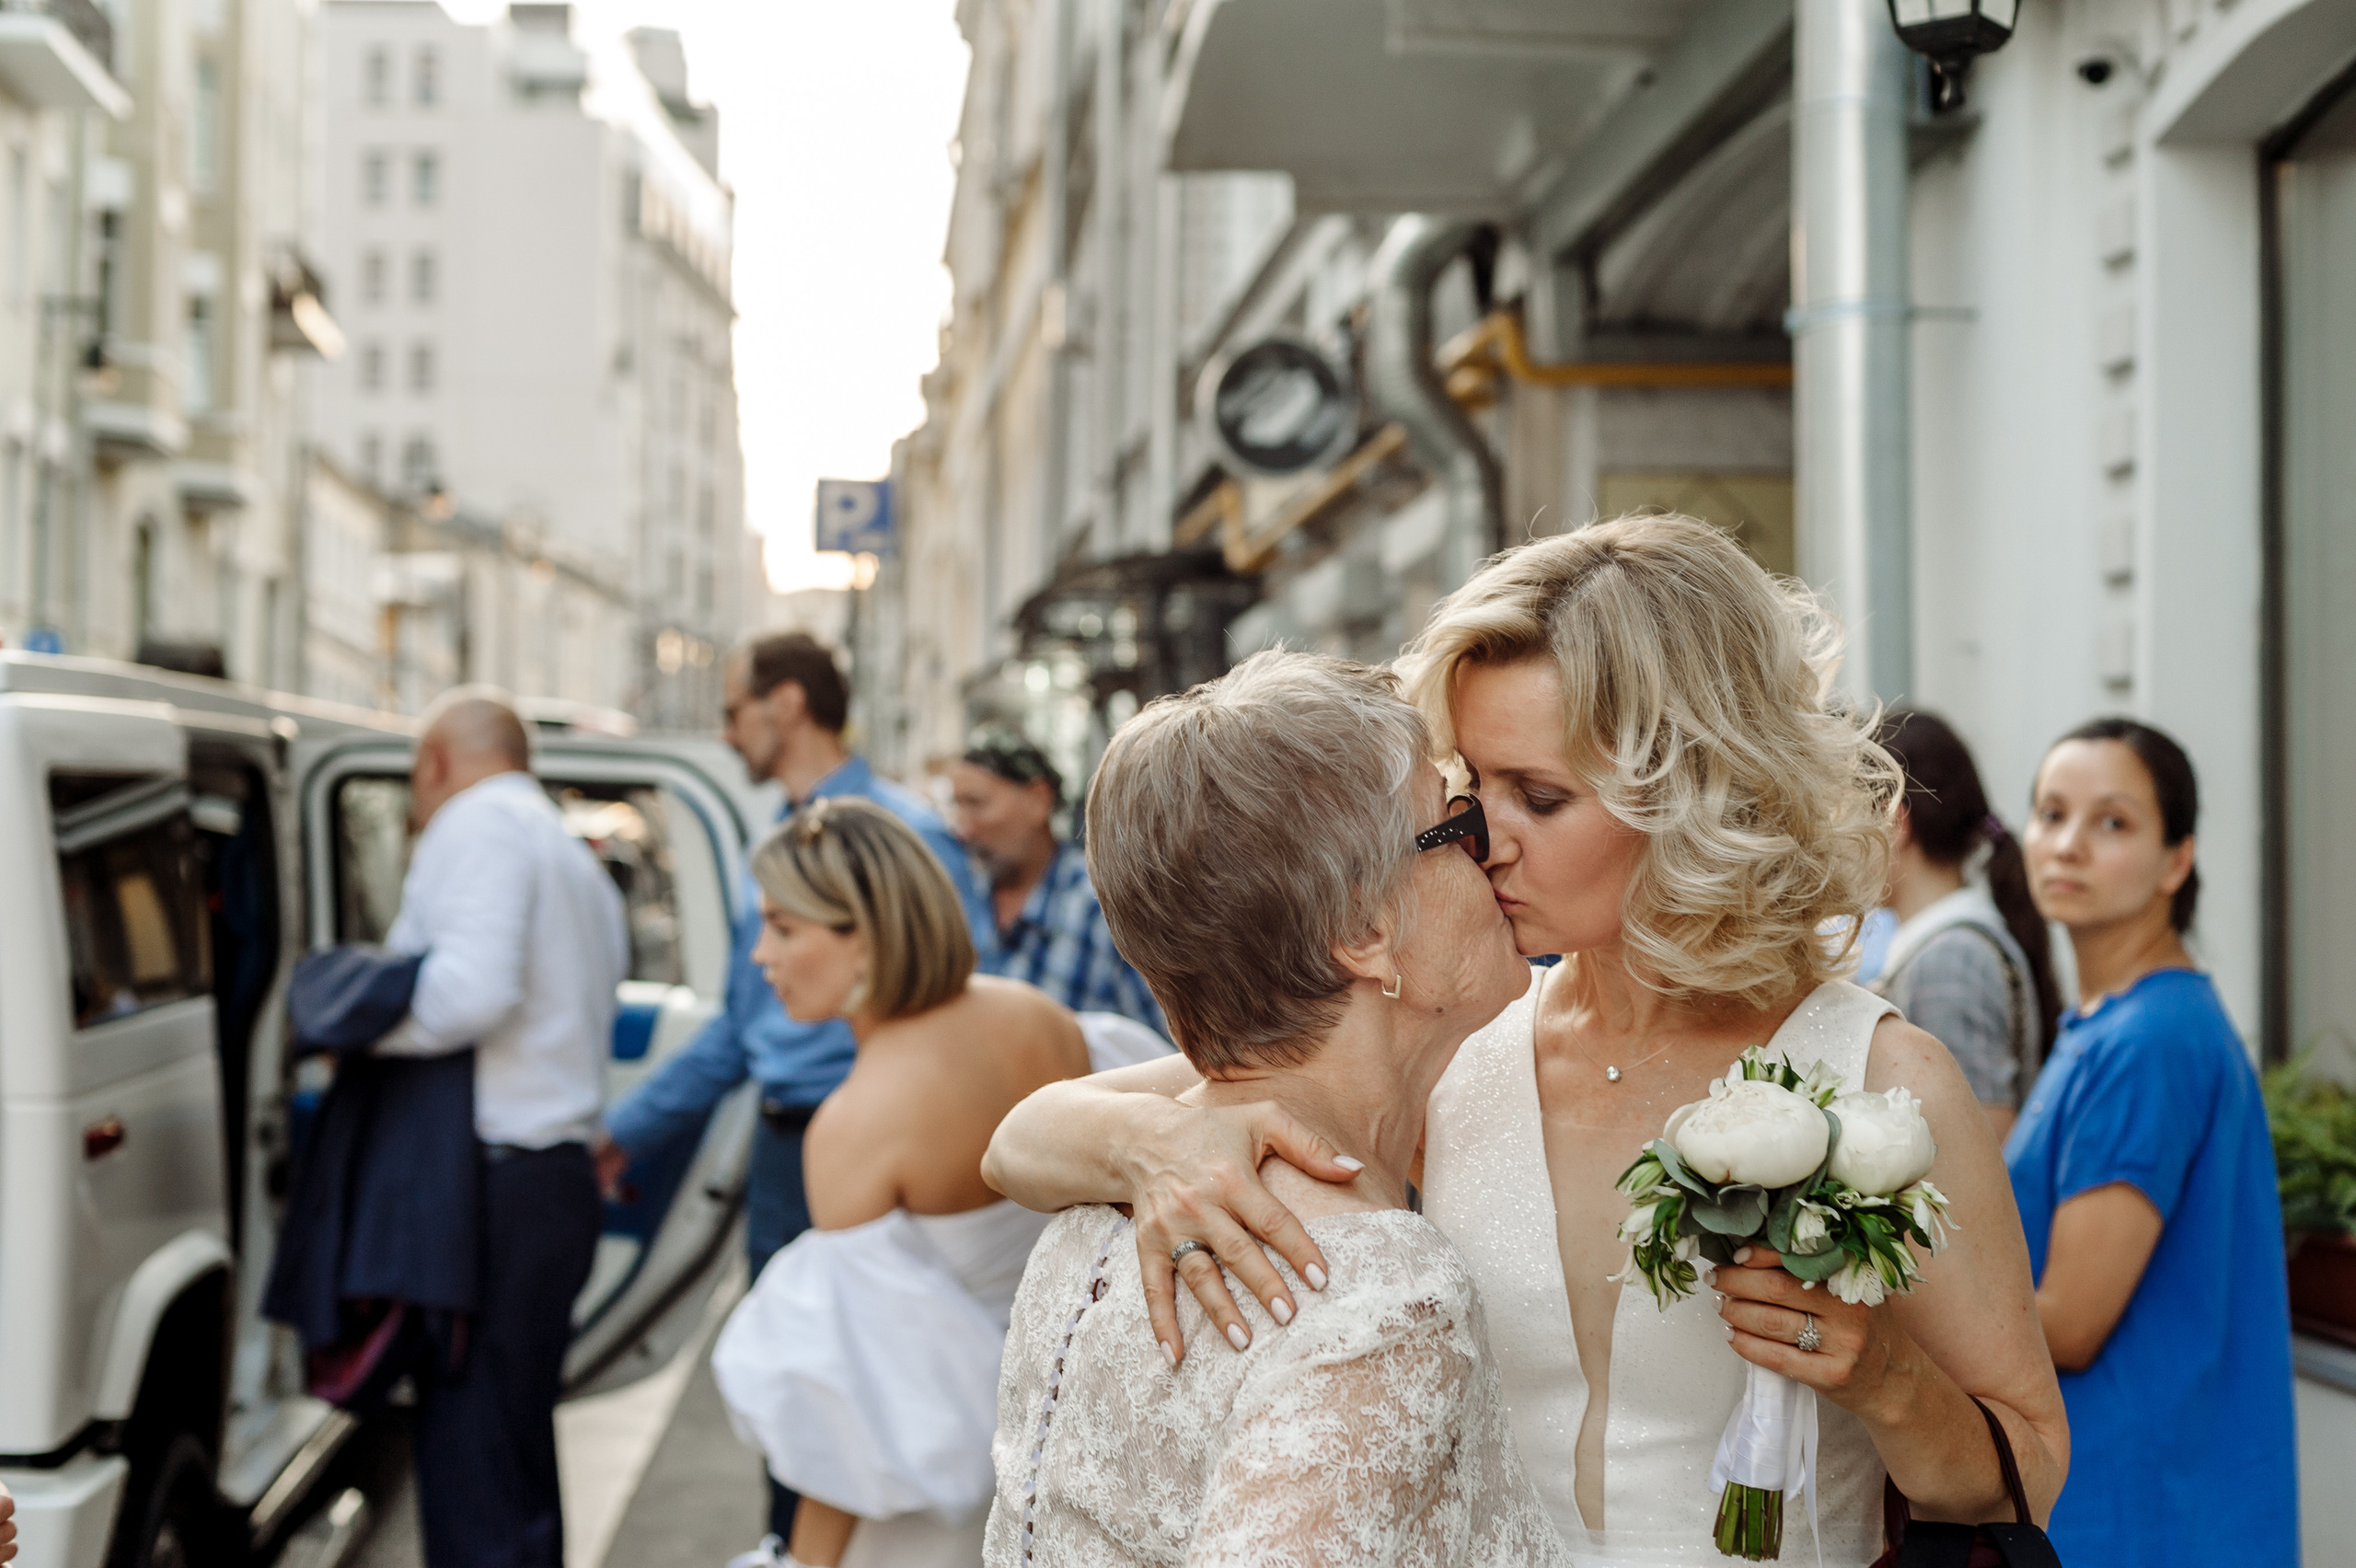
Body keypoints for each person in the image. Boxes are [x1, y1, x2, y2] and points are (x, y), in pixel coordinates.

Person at [987, 516, 2069, 1564]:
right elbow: (1022, 1136)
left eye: (1537, 797)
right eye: (1468, 785)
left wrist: (1884, 1378)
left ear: (1690, 793)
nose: (1481, 838)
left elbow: (2025, 1466)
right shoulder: (1452, 1038)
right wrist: (1152, 1148)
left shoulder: (1876, 1077)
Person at [981, 651, 1565, 1568]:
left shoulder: (1087, 1227)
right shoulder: (1379, 1290)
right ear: (1364, 933)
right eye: (1451, 822)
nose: (1486, 842)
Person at [595, 633, 986, 1551]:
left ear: (786, 706)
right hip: (787, 1153)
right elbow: (740, 1025)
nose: (726, 733)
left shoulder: (907, 834)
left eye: (732, 711)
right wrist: (626, 1131)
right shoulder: (772, 845)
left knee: (884, 1404)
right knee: (805, 1398)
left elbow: (959, 1011)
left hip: (891, 1152)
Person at [709, 797, 1090, 1568]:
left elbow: (857, 1416)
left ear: (866, 938)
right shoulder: (1038, 1018)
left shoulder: (855, 1128)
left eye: (784, 928)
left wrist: (802, 1564)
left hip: (932, 1504)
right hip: (1070, 1435)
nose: (761, 956)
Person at [2007, 718, 2295, 1566]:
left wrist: (1883, 1296)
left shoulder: (2151, 1041)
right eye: (2051, 813)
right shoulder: (2114, 1024)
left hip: (2140, 1513)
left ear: (2178, 861)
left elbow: (2070, 1323)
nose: (2068, 845)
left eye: (2113, 822)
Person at [375, 689, 630, 1568]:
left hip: (493, 1187)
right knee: (513, 1447)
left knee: (472, 1452)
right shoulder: (566, 850)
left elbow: (467, 993)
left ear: (435, 764)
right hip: (547, 1182)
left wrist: (351, 1026)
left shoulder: (474, 824)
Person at [1872, 709, 2064, 1139]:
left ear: (1894, 822)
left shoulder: (1951, 961)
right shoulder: (1945, 946)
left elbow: (1983, 1150)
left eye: (1843, 813)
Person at [951, 731, 1166, 1034]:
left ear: (1039, 799)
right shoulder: (965, 900)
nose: (963, 828)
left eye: (976, 804)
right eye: (957, 805)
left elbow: (1168, 1052)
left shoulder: (1101, 911)